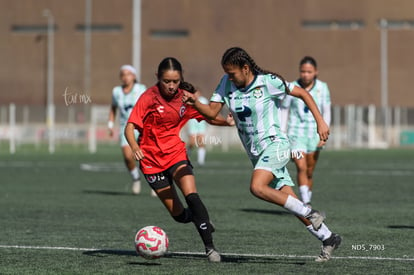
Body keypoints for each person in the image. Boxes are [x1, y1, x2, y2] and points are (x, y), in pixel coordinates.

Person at [182, 47, 341, 262]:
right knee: (289, 200)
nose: (229, 77)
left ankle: (311, 213)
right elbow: (211, 112)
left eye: (232, 73)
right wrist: (195, 103)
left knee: (257, 187)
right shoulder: (226, 83)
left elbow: (302, 93)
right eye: (227, 73)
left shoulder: (268, 81)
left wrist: (320, 121)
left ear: (245, 68)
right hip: (256, 153)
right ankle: (328, 238)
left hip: (276, 145)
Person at [125, 57, 233, 262]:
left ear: (181, 78)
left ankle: (210, 248)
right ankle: (200, 219)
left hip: (176, 154)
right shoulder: (148, 97)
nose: (171, 86)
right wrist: (135, 146)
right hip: (151, 162)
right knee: (179, 216)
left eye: (175, 81)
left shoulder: (186, 98)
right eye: (167, 81)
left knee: (192, 196)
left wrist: (226, 123)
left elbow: (208, 116)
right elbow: (130, 126)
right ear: (158, 77)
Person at [282, 56, 331, 206]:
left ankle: (306, 198)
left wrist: (325, 131)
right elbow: (284, 110)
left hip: (314, 135)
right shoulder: (292, 87)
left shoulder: (323, 88)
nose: (305, 74)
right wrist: (283, 134)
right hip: (295, 134)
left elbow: (326, 111)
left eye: (309, 72)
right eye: (303, 71)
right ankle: (306, 203)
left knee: (309, 170)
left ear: (315, 72)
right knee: (301, 166)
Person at [108, 65, 154, 195]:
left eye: (128, 74)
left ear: (134, 76)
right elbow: (113, 108)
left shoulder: (141, 89)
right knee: (128, 156)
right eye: (123, 74)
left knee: (147, 157)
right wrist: (110, 125)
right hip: (126, 127)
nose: (125, 77)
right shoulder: (116, 91)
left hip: (142, 126)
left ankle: (155, 182)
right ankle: (136, 178)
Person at [187, 91, 209, 166]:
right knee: (191, 143)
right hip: (192, 123)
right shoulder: (189, 101)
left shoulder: (204, 101)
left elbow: (208, 111)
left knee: (201, 142)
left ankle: (201, 161)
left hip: (201, 124)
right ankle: (186, 157)